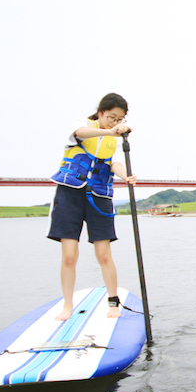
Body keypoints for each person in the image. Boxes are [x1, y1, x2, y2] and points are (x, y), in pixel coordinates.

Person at [47, 93, 137, 321]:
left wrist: (125, 176)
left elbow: (115, 163)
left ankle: (113, 302)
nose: (114, 122)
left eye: (120, 119)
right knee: (69, 255)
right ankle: (67, 306)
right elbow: (80, 135)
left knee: (104, 254)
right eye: (111, 117)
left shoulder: (115, 141)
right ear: (100, 113)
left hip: (99, 197)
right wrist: (109, 131)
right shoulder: (82, 125)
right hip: (69, 194)